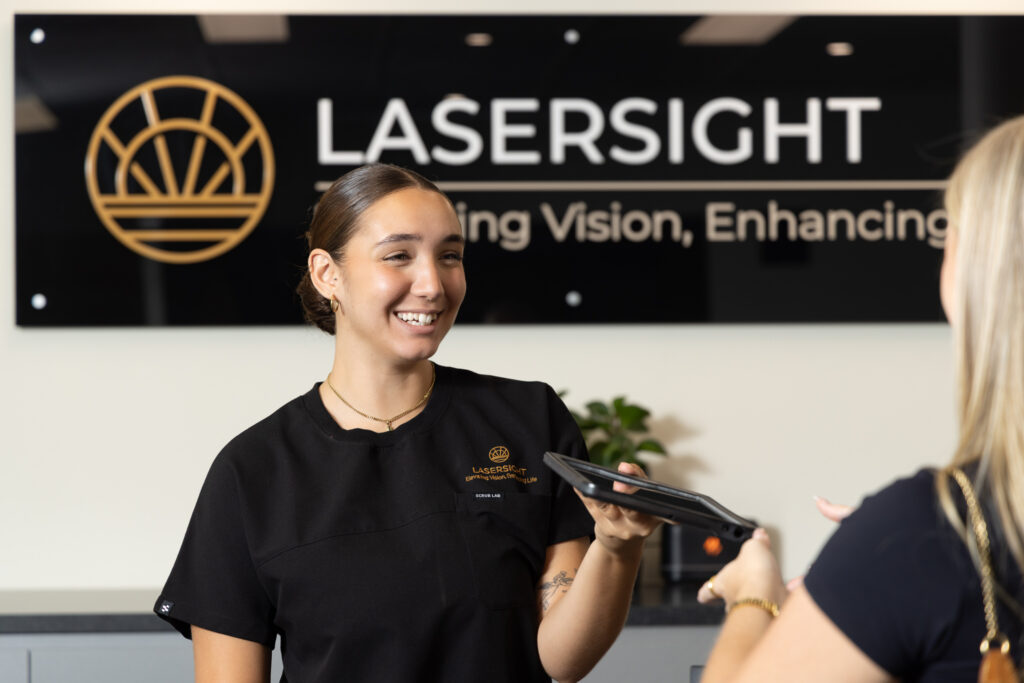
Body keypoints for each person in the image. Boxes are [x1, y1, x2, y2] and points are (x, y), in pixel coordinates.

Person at [154, 163, 660, 683]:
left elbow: (563, 660)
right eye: (399, 256)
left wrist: (618, 547)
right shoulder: (254, 470)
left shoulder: (528, 419)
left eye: (450, 257)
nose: (433, 284)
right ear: (328, 274)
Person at [695, 115, 1024, 682]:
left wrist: (755, 596)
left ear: (976, 277)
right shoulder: (916, 541)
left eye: (950, 232)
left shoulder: (921, 539)